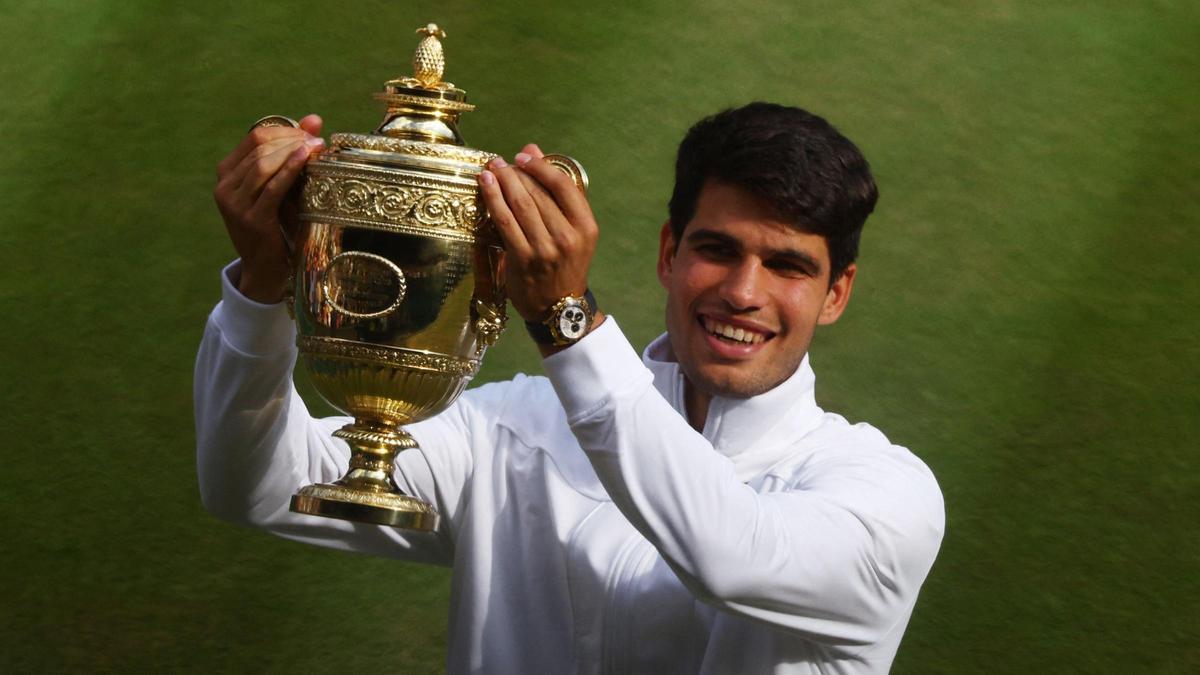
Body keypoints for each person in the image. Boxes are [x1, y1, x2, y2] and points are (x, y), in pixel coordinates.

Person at [197, 102, 944, 674]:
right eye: (717, 250)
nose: (743, 292)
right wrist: (262, 288)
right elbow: (260, 485)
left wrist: (567, 320)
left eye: (787, 266)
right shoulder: (515, 428)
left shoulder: (887, 496)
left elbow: (729, 552)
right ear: (668, 254)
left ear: (837, 292)